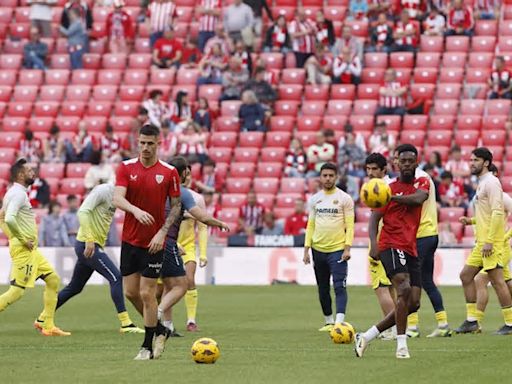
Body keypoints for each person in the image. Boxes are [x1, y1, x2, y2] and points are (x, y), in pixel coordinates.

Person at [113, 124, 182, 360]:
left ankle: (146, 347)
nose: (145, 147)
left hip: (155, 243)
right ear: (138, 142)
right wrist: (135, 210)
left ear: (158, 144)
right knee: (130, 292)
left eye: (150, 143)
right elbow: (117, 198)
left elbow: (176, 207)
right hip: (130, 240)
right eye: (142, 142)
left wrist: (162, 232)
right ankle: (160, 329)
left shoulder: (169, 172)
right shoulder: (125, 168)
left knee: (146, 293)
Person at [37, 182, 144, 334]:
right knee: (116, 277)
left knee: (75, 287)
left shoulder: (121, 197)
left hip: (91, 245)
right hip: (87, 245)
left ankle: (42, 318)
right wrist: (89, 238)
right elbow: (83, 212)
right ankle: (126, 323)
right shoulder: (103, 191)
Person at [355, 144, 429, 359]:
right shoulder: (386, 189)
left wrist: (391, 197)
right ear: (396, 163)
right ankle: (401, 346)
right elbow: (374, 219)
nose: (406, 164)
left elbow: (418, 199)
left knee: (413, 303)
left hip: (411, 247)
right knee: (403, 290)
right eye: (402, 161)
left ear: (416, 162)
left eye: (410, 161)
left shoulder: (421, 183)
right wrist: (373, 243)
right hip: (390, 244)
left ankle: (367, 336)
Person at [155, 156, 230, 356]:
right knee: (179, 286)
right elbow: (203, 218)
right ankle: (158, 316)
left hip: (153, 242)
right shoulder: (183, 193)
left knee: (160, 287)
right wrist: (220, 223)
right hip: (169, 243)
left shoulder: (156, 189)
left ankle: (169, 326)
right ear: (184, 174)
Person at [0, 159, 70, 336]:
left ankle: (47, 325)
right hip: (24, 249)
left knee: (53, 280)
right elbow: (8, 218)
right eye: (29, 170)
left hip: (30, 250)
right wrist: (21, 239)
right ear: (21, 174)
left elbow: (1, 216)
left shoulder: (13, 193)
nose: (33, 172)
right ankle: (46, 324)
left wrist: (12, 237)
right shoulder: (18, 195)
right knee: (16, 292)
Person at [455, 147, 512, 335]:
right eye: (471, 160)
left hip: (491, 243)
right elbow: (487, 214)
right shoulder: (481, 184)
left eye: (476, 160)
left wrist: (489, 241)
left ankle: (510, 323)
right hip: (482, 243)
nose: (472, 163)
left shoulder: (492, 182)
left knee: (497, 281)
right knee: (466, 276)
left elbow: (497, 212)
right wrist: (470, 221)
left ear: (486, 163)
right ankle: (472, 321)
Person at [303, 162, 354, 332]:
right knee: (323, 287)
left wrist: (347, 248)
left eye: (331, 175)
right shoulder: (314, 199)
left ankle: (339, 322)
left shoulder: (344, 198)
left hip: (338, 249)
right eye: (325, 175)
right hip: (318, 250)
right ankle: (328, 321)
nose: (328, 178)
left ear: (336, 177)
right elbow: (310, 225)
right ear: (320, 177)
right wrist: (306, 249)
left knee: (339, 286)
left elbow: (350, 225)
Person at [474, 165, 512, 328]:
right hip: (492, 244)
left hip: (498, 246)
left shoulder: (503, 197)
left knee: (479, 280)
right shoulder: (485, 193)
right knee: (507, 282)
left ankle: (476, 321)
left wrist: (506, 236)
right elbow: (485, 218)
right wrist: (470, 221)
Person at [364, 153, 396, 341]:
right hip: (392, 240)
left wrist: (374, 244)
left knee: (381, 287)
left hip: (381, 241)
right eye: (368, 169)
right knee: (391, 287)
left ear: (384, 169)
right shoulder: (391, 185)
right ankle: (393, 325)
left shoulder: (381, 188)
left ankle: (393, 329)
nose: (370, 172)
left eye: (374, 169)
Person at [176, 165, 208, 331]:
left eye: (189, 174)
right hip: (170, 244)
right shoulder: (166, 195)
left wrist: (202, 253)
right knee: (160, 289)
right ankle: (162, 321)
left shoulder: (197, 198)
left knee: (189, 279)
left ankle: (191, 321)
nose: (187, 177)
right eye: (184, 174)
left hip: (188, 245)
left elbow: (202, 227)